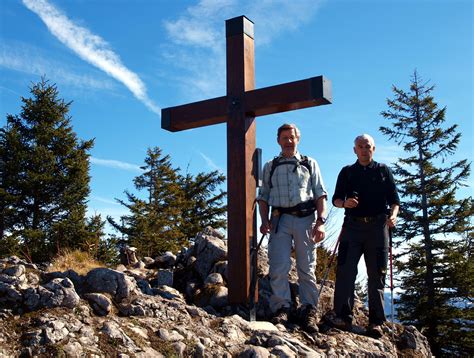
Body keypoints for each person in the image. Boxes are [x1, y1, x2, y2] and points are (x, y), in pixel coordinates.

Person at [257, 123, 327, 333]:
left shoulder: (309, 163)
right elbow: (264, 196)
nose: (288, 141)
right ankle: (282, 307)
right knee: (278, 266)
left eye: (292, 137)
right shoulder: (271, 165)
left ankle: (309, 309)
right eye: (284, 137)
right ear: (278, 140)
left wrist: (321, 221)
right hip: (279, 219)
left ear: (298, 138)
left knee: (307, 267)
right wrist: (263, 220)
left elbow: (319, 193)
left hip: (306, 219)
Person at [331, 134, 400, 338]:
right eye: (360, 146)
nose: (364, 149)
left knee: (376, 275)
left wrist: (393, 216)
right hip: (352, 227)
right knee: (345, 272)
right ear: (354, 150)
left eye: (367, 146)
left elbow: (395, 200)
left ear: (374, 148)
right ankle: (343, 316)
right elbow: (335, 199)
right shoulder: (347, 172)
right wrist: (344, 204)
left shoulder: (383, 171)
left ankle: (376, 322)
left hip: (378, 227)